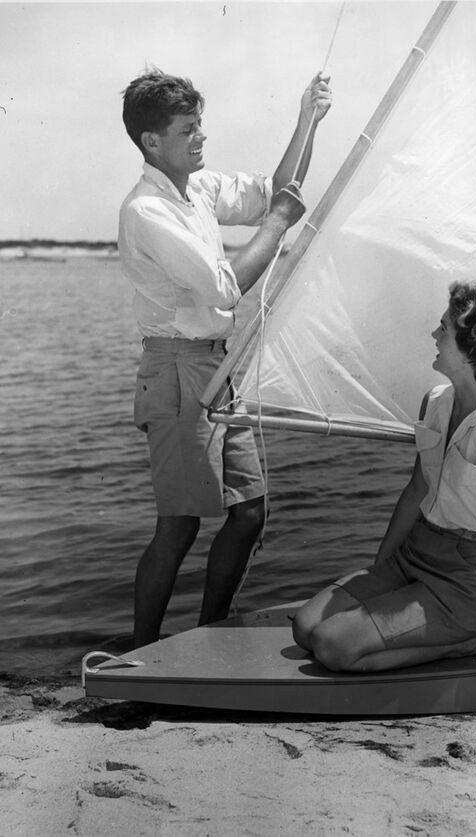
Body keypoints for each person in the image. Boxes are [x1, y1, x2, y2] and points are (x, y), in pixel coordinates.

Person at [118, 68, 332, 648]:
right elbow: (223, 287)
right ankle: (140, 656)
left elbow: (277, 187)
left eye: (200, 127)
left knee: (250, 512)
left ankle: (209, 638)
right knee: (180, 525)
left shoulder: (200, 191)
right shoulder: (146, 211)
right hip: (177, 371)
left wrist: (306, 119)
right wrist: (279, 223)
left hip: (217, 367)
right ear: (151, 142)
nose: (200, 139)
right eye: (188, 130)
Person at [293, 277, 476, 678]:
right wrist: (381, 567)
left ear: (472, 348)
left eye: (444, 328)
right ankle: (419, 629)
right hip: (412, 553)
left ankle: (463, 641)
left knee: (331, 646)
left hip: (463, 579)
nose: (434, 334)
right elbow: (417, 490)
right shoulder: (435, 402)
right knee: (306, 628)